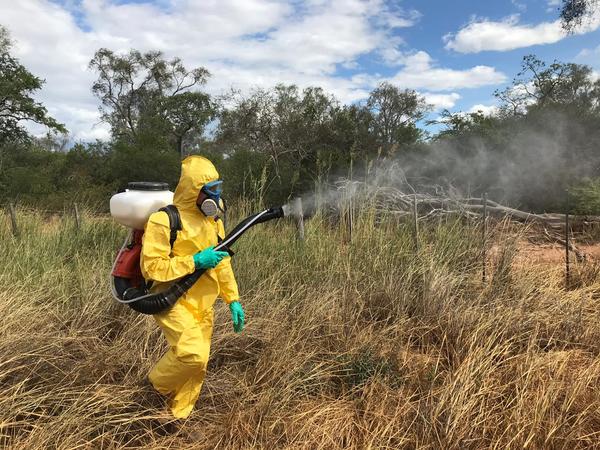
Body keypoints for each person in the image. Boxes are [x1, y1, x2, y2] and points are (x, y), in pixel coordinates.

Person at [140, 155, 245, 419]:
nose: (216, 196)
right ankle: (153, 388)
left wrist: (232, 299)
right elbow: (152, 268)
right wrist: (195, 261)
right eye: (211, 191)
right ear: (194, 191)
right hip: (171, 299)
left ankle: (177, 418)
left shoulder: (213, 222)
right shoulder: (164, 220)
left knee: (198, 368)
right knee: (192, 355)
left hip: (204, 304)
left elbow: (222, 263)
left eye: (218, 188)